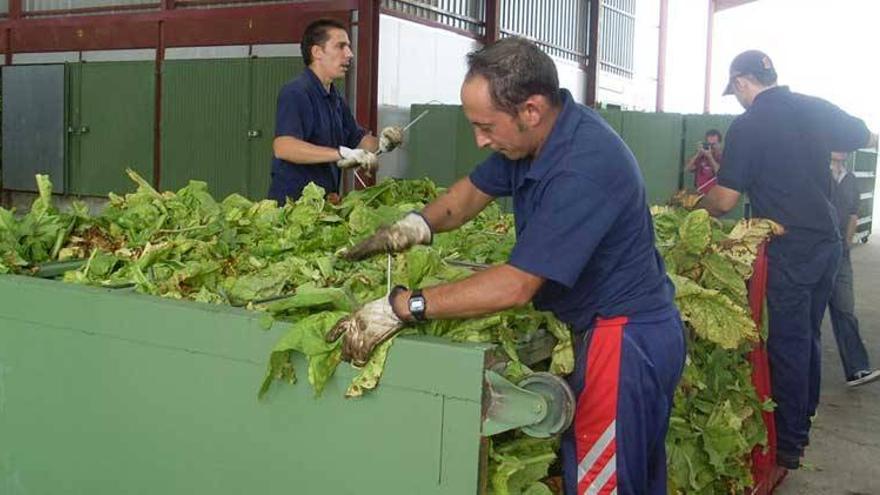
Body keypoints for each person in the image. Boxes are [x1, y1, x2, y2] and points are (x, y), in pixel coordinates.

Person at [327, 37, 685, 495]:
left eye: (485, 126)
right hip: (622, 332)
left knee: (604, 484)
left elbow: (516, 285)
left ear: (530, 110)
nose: (479, 139)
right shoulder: (536, 142)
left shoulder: (583, 165)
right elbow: (471, 194)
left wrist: (404, 306)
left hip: (625, 339)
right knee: (629, 476)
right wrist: (414, 226)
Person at [697, 50, 879, 470]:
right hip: (828, 242)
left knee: (788, 342)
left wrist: (690, 209)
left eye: (736, 90)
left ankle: (790, 442)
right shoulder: (812, 107)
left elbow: (724, 201)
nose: (737, 98)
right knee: (809, 336)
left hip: (790, 247)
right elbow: (863, 134)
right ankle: (804, 417)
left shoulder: (748, 125)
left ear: (742, 82)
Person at [268, 18, 403, 203]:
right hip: (292, 208)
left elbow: (359, 140)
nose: (349, 54)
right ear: (317, 52)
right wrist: (341, 154)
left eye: (348, 46)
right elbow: (284, 147)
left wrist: (384, 141)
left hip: (324, 204)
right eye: (340, 46)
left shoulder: (335, 98)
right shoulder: (296, 92)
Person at [828, 151, 880, 388]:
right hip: (814, 253)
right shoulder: (816, 172)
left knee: (845, 310)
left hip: (840, 254)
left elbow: (853, 213)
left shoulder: (851, 179)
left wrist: (846, 244)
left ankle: (857, 369)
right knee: (810, 318)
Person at [684, 129, 723, 194]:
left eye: (713, 144)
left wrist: (710, 157)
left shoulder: (723, 157)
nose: (711, 147)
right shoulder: (701, 156)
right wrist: (697, 154)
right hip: (700, 192)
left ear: (719, 144)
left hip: (716, 194)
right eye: (708, 144)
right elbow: (687, 168)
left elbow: (719, 173)